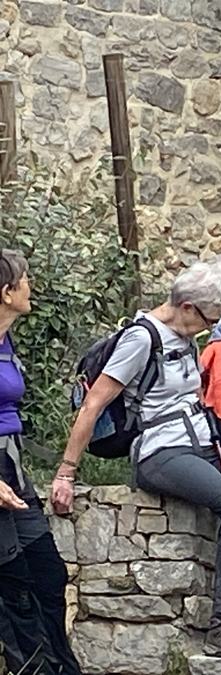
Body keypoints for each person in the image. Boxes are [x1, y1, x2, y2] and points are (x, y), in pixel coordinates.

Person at [50, 262, 221, 661]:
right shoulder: (141, 339)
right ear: (186, 307)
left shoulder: (184, 336)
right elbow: (93, 404)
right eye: (208, 319)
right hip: (160, 453)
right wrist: (66, 472)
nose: (209, 328)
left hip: (204, 446)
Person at [0, 248, 82, 675]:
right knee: (12, 589)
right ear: (6, 291)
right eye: (26, 278)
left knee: (48, 575)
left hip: (12, 467)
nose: (32, 285)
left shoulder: (6, 339)